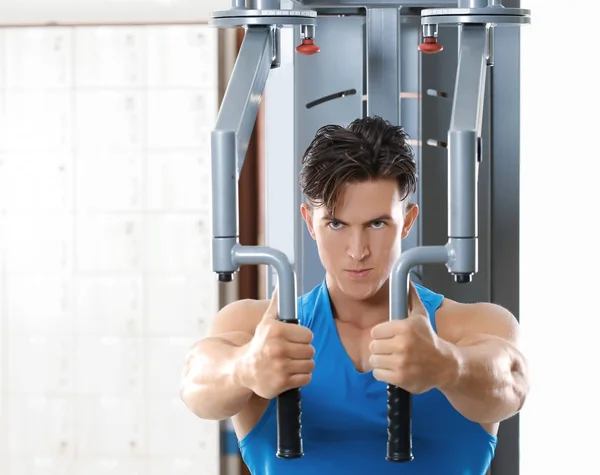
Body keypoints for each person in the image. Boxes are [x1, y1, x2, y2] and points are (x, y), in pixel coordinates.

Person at [180, 116, 530, 474]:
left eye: (377, 224)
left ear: (407, 221)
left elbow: (513, 381)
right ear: (309, 222)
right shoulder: (258, 330)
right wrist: (245, 368)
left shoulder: (469, 326)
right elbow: (195, 382)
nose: (357, 251)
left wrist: (447, 365)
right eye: (336, 224)